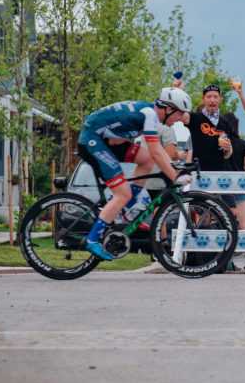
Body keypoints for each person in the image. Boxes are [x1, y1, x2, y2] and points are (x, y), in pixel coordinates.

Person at [77, 89, 193, 260]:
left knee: (146, 160)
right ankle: (92, 239)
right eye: (179, 114)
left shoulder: (149, 114)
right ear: (168, 109)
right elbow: (157, 151)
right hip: (92, 140)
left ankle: (126, 211)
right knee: (123, 192)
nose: (180, 119)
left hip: (107, 140)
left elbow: (157, 153)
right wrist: (175, 177)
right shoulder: (149, 115)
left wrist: (173, 169)